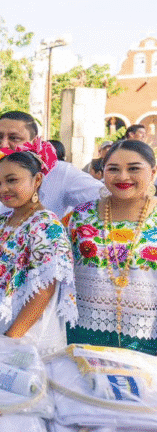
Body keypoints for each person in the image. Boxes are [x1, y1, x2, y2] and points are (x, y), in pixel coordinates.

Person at [0, 142, 77, 354]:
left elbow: (43, 291)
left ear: (37, 180)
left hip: (27, 337)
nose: (3, 189)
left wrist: (9, 340)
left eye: (12, 180)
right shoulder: (2, 221)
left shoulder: (46, 226)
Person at [67, 140, 157, 353]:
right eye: (113, 169)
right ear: (102, 172)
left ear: (153, 172)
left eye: (134, 168)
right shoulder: (81, 216)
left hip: (146, 338)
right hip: (84, 333)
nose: (123, 176)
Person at [0, 111, 102, 217]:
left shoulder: (61, 172)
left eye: (14, 138)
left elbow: (105, 197)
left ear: (34, 142)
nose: (3, 144)